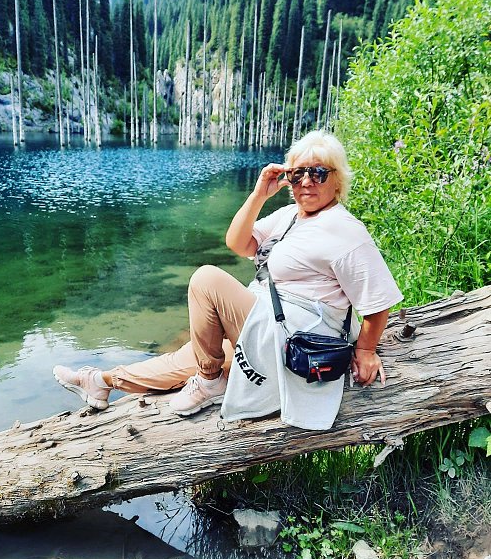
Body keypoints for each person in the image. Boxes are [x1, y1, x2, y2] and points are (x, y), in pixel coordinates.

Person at [53, 130, 403, 425]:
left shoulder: (344, 230)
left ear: (337, 179)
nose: (306, 182)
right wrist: (258, 194)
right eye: (298, 174)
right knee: (188, 357)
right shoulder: (290, 215)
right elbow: (237, 242)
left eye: (318, 173)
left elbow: (378, 299)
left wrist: (366, 350)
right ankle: (101, 381)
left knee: (206, 279)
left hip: (294, 336)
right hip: (266, 324)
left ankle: (209, 382)